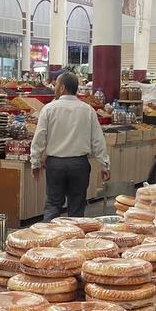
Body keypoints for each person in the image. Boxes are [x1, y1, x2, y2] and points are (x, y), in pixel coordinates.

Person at [31, 71, 110, 220]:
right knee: (77, 206)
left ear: (62, 88)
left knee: (53, 204)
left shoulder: (49, 109)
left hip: (55, 164)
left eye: (57, 85)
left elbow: (39, 138)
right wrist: (104, 165)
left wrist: (35, 163)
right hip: (79, 165)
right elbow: (98, 140)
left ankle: (49, 239)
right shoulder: (88, 110)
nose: (55, 88)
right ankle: (73, 240)